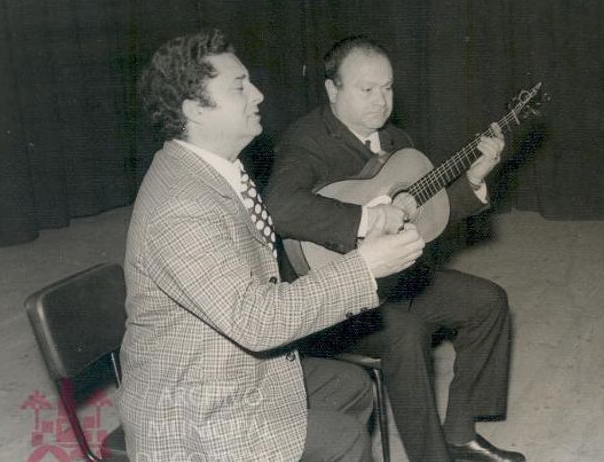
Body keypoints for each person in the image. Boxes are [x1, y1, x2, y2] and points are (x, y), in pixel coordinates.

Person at [118, 28, 424, 462]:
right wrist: (364, 266)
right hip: (193, 410)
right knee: (346, 441)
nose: (259, 95)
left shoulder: (213, 169)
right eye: (240, 87)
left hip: (227, 366)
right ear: (195, 110)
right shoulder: (181, 207)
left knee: (351, 388)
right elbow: (257, 321)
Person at [265, 35, 525, 462]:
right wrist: (366, 219)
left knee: (488, 302)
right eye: (366, 90)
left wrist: (473, 181)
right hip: (335, 299)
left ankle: (461, 433)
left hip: (394, 281)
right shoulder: (305, 141)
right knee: (406, 334)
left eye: (387, 88)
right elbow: (280, 206)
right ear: (332, 90)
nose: (380, 101)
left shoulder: (394, 139)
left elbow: (426, 212)